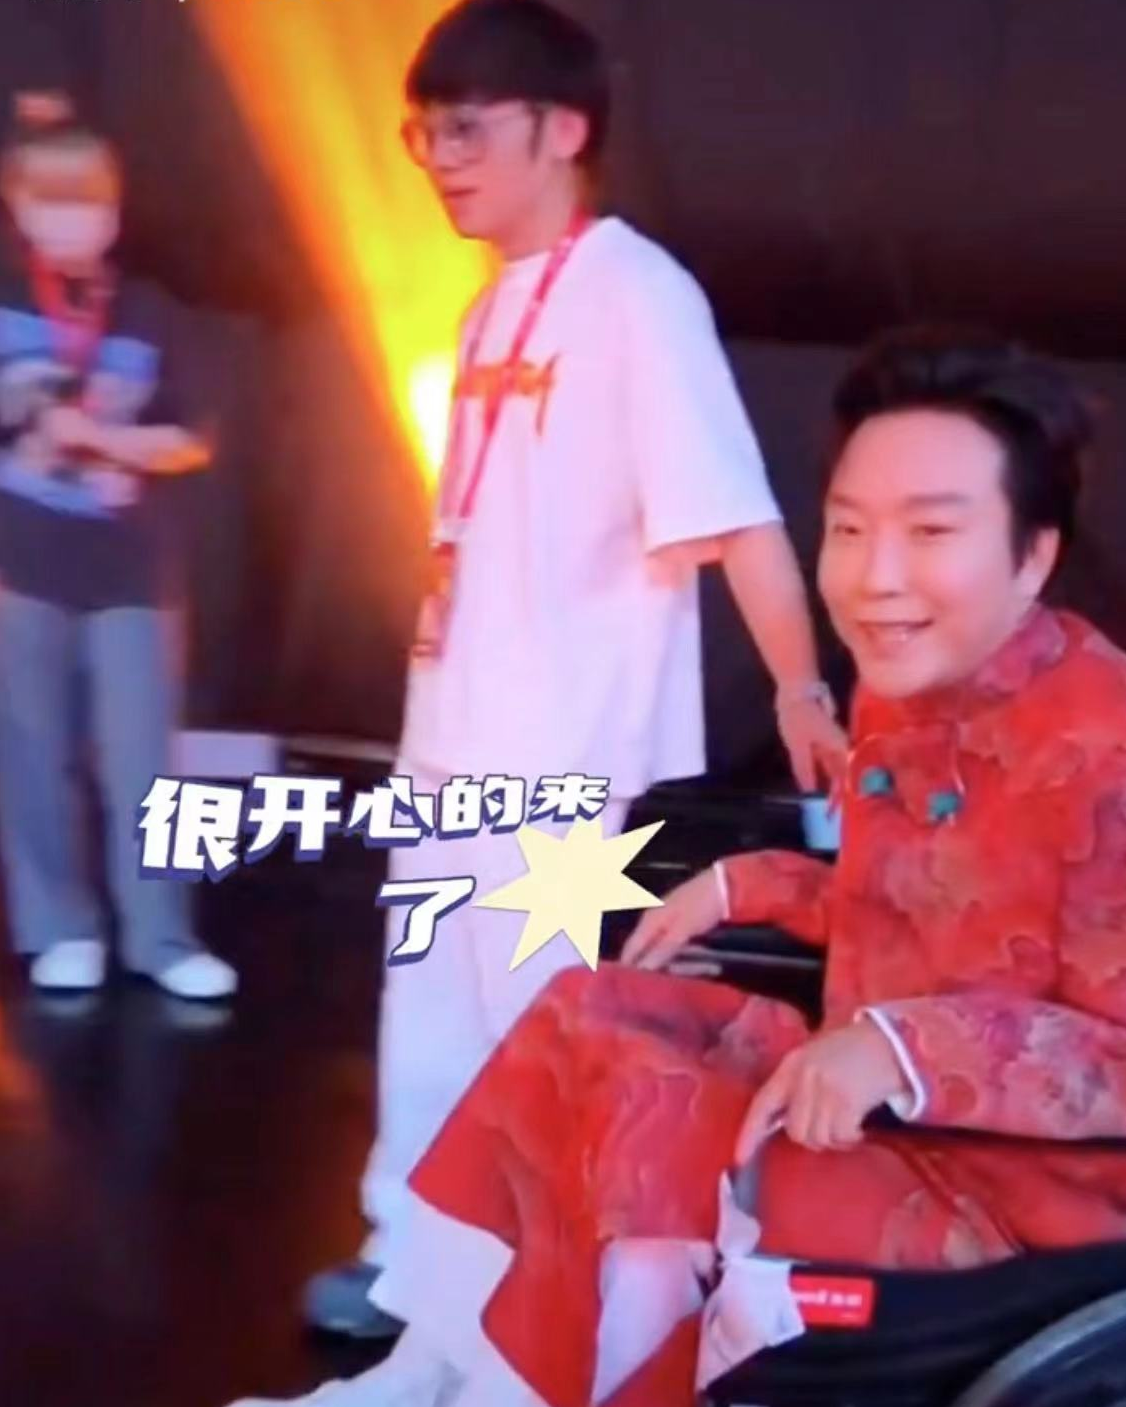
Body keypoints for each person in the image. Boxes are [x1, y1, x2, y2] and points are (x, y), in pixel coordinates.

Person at [207, 327, 1126, 1407]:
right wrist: (748, 884)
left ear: (1032, 555)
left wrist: (904, 1050)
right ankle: (425, 1385)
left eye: (929, 533)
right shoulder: (912, 687)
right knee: (589, 1013)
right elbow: (934, 906)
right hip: (877, 1105)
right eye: (848, 528)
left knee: (656, 1125)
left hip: (1037, 1205)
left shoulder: (1125, 755)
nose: (873, 576)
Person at [305, 0, 846, 1336]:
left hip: (564, 753)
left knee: (538, 1012)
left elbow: (734, 516)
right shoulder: (486, 307)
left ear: (560, 129)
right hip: (451, 734)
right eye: (422, 135)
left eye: (464, 129)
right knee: (427, 999)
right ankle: (413, 1253)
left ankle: (533, 1289)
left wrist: (797, 687)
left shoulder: (638, 297)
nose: (438, 160)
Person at [0, 92, 236, 1000]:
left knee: (144, 763)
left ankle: (162, 938)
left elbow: (193, 439)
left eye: (91, 202)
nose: (75, 222)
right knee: (32, 755)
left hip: (133, 574)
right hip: (21, 568)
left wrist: (101, 440)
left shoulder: (149, 312)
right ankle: (61, 927)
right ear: (19, 204)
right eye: (53, 202)